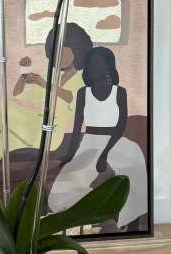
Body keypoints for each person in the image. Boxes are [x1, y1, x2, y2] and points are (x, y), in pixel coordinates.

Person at [0, 22, 93, 178]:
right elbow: (18, 93)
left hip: (49, 132)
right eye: (57, 51)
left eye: (64, 50)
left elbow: (71, 98)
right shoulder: (53, 77)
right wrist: (24, 76)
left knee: (0, 129)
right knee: (0, 110)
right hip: (32, 122)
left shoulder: (82, 79)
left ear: (77, 50)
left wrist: (44, 84)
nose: (59, 55)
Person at [48, 46, 148, 229]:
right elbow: (77, 128)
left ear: (108, 66)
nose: (94, 67)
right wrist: (70, 154)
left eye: (98, 63)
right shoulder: (83, 93)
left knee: (133, 169)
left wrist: (104, 154)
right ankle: (84, 220)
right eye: (91, 64)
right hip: (90, 141)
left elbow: (120, 126)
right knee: (69, 179)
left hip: (116, 141)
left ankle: (130, 224)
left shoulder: (120, 92)